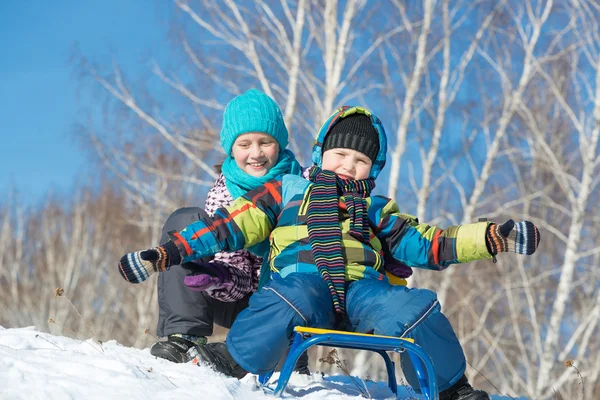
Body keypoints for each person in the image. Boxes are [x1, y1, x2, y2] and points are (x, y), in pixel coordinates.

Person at [118, 106, 540, 400]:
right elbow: (229, 224)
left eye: (359, 160)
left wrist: (492, 238)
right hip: (302, 282)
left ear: (372, 170)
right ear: (321, 154)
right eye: (339, 154)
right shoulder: (286, 191)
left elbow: (431, 243)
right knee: (287, 298)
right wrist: (168, 253)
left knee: (416, 308)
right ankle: (231, 357)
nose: (347, 165)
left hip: (364, 292)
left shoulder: (377, 208)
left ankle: (451, 387)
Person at [150, 88, 306, 368]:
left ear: (279, 143)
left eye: (265, 142)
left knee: (283, 357)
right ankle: (183, 335)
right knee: (186, 221)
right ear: (231, 148)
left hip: (287, 301)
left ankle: (289, 351)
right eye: (245, 144)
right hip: (238, 295)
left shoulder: (302, 185)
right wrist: (218, 278)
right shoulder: (223, 192)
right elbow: (238, 270)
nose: (256, 153)